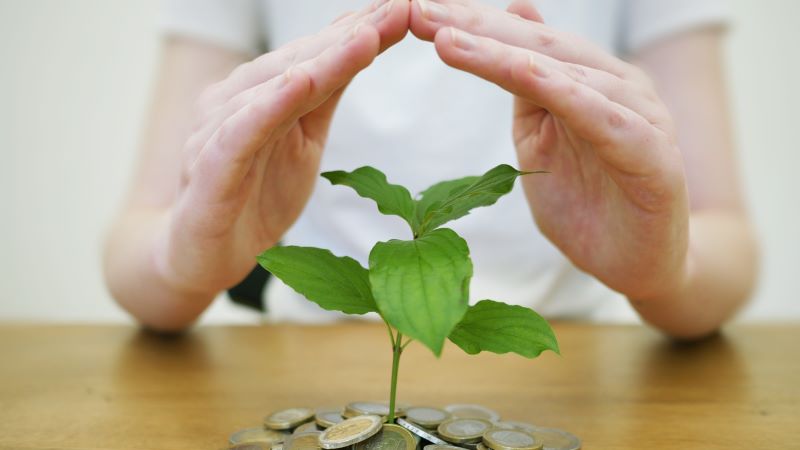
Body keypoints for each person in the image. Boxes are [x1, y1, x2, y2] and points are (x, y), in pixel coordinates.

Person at [103, 0, 758, 339]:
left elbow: (726, 237)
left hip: (582, 366)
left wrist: (665, 271)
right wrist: (183, 259)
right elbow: (134, 244)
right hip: (308, 366)